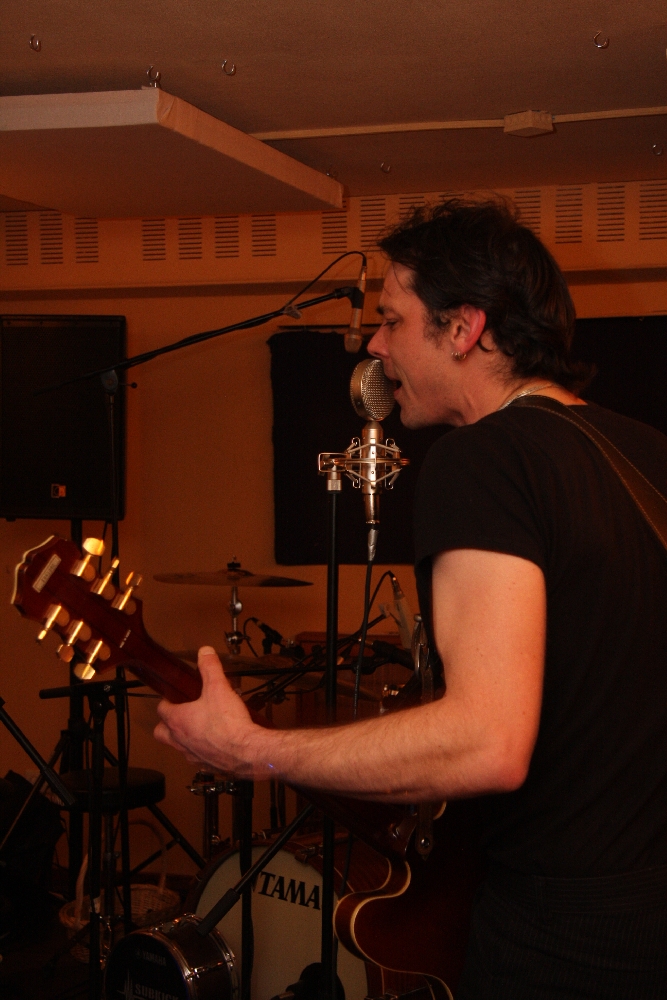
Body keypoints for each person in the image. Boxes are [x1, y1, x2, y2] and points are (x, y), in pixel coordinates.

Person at [155, 199, 667, 998]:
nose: (374, 344)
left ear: (463, 327)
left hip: (563, 941)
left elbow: (484, 743)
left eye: (392, 320)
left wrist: (252, 750)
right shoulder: (645, 452)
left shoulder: (484, 459)